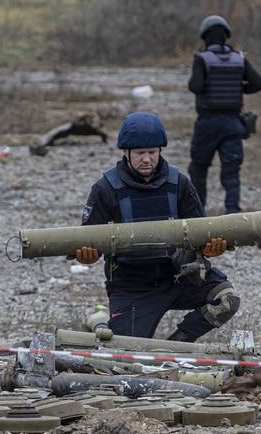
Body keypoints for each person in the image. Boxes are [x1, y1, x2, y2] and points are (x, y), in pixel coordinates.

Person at [72, 111, 242, 342]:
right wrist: (87, 256)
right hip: (132, 286)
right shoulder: (106, 188)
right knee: (123, 352)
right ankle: (99, 321)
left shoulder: (179, 183)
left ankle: (176, 344)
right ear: (125, 152)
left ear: (160, 151)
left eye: (152, 152)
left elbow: (200, 231)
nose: (146, 159)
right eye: (140, 153)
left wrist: (210, 248)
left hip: (178, 276)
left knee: (227, 299)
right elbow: (88, 239)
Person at [187, 15, 261, 214]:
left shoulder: (202, 59)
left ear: (205, 36)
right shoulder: (239, 58)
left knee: (199, 169)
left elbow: (195, 86)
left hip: (207, 124)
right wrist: (239, 88)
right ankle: (233, 212)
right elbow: (258, 84)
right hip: (233, 124)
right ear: (226, 36)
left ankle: (198, 212)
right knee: (232, 172)